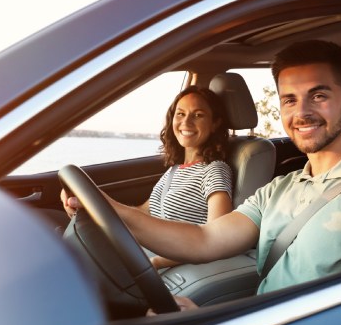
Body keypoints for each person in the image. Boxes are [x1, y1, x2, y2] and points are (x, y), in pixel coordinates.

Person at [63, 40, 341, 311]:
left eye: (318, 95)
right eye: (289, 99)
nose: (301, 112)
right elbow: (204, 240)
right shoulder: (281, 187)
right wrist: (107, 208)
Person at [64, 85, 233, 270]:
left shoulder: (214, 170)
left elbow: (219, 237)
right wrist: (91, 208)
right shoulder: (174, 170)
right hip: (144, 254)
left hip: (164, 265)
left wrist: (157, 262)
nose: (186, 122)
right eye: (180, 114)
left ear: (215, 123)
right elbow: (144, 213)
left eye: (198, 115)